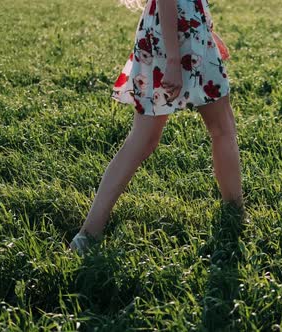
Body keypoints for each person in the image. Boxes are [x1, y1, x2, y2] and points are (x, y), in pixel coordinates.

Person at [69, 0, 244, 254]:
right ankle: (235, 215)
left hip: (177, 30)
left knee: (143, 139)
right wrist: (174, 60)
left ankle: (88, 234)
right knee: (222, 128)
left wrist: (206, 30)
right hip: (174, 39)